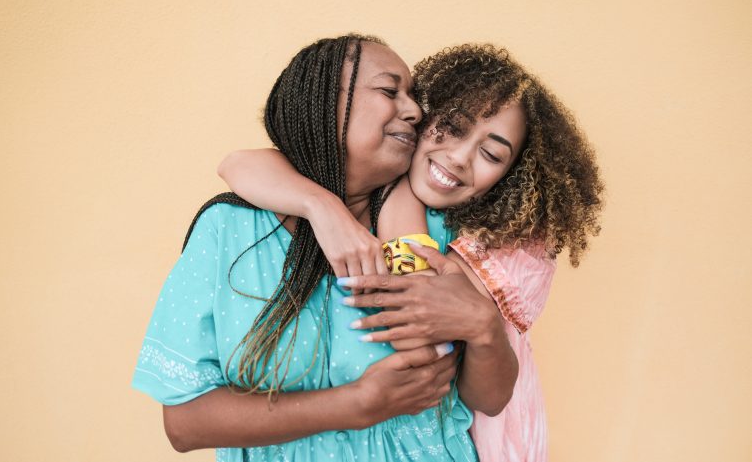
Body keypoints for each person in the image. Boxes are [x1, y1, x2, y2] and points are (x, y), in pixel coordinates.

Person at [132, 35, 519, 462]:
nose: (415, 111)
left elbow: (488, 398)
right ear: (321, 102)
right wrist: (354, 406)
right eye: (390, 91)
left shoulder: (436, 228)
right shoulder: (228, 229)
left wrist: (485, 327)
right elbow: (184, 425)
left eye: (413, 97)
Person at [217, 44, 604, 461]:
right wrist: (323, 207)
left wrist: (480, 321)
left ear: (513, 176)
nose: (458, 158)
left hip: (489, 438)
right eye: (453, 127)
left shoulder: (509, 246)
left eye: (491, 154)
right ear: (423, 117)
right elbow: (238, 162)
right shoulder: (391, 180)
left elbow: (429, 349)